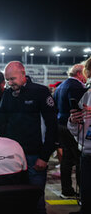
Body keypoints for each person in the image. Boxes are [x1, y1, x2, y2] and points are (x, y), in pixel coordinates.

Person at [0, 61, 58, 214]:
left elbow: (52, 127)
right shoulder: (8, 94)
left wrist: (44, 156)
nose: (10, 83)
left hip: (34, 157)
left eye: (13, 79)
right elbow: (0, 121)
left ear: (23, 74)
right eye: (7, 80)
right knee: (15, 201)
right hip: (12, 157)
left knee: (36, 202)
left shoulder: (40, 92)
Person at [54, 63, 87, 199]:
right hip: (72, 126)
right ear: (79, 73)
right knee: (79, 159)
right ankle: (83, 192)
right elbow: (79, 108)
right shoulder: (76, 86)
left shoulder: (61, 86)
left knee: (67, 159)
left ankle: (66, 190)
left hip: (61, 124)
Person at [68, 56, 91, 214]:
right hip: (87, 152)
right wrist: (73, 121)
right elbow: (78, 129)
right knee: (86, 191)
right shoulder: (88, 94)